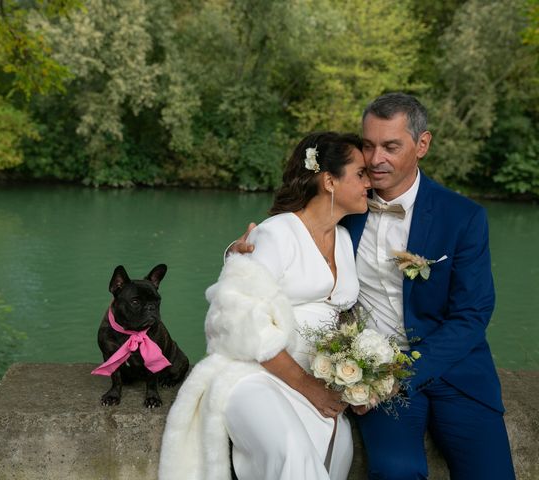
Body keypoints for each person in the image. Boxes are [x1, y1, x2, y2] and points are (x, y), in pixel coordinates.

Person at [230, 93, 516, 479]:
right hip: (371, 373)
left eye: (391, 146)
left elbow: (472, 314)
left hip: (456, 371)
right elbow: (289, 232)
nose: (376, 158)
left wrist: (405, 374)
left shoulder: (463, 217)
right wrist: (237, 253)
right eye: (368, 145)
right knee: (396, 471)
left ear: (422, 145)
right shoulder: (347, 207)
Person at [158, 131, 371, 480]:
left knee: (338, 449)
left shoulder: (346, 240)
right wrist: (307, 386)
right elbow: (236, 317)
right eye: (360, 174)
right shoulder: (276, 234)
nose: (369, 183)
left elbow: (348, 321)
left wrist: (360, 378)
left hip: (315, 381)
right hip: (254, 377)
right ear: (330, 180)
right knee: (291, 450)